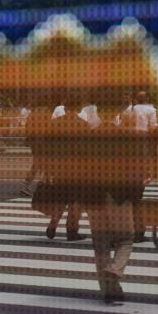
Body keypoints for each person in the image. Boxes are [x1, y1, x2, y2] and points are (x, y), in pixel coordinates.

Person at [83, 114, 145, 303]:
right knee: (126, 238)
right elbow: (135, 167)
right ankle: (115, 270)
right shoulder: (126, 136)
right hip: (119, 195)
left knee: (100, 245)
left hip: (93, 194)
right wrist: (137, 193)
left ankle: (109, 290)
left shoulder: (88, 137)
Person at [44, 101, 87, 241]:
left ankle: (52, 225)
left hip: (59, 167)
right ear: (79, 108)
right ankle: (71, 230)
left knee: (60, 199)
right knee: (76, 200)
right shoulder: (82, 124)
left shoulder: (55, 123)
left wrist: (47, 169)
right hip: (77, 168)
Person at [128, 91, 158, 243]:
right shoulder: (151, 110)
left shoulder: (130, 110)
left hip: (129, 150)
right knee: (138, 197)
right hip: (143, 147)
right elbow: (154, 129)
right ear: (147, 98)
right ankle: (139, 230)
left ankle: (130, 229)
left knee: (131, 196)